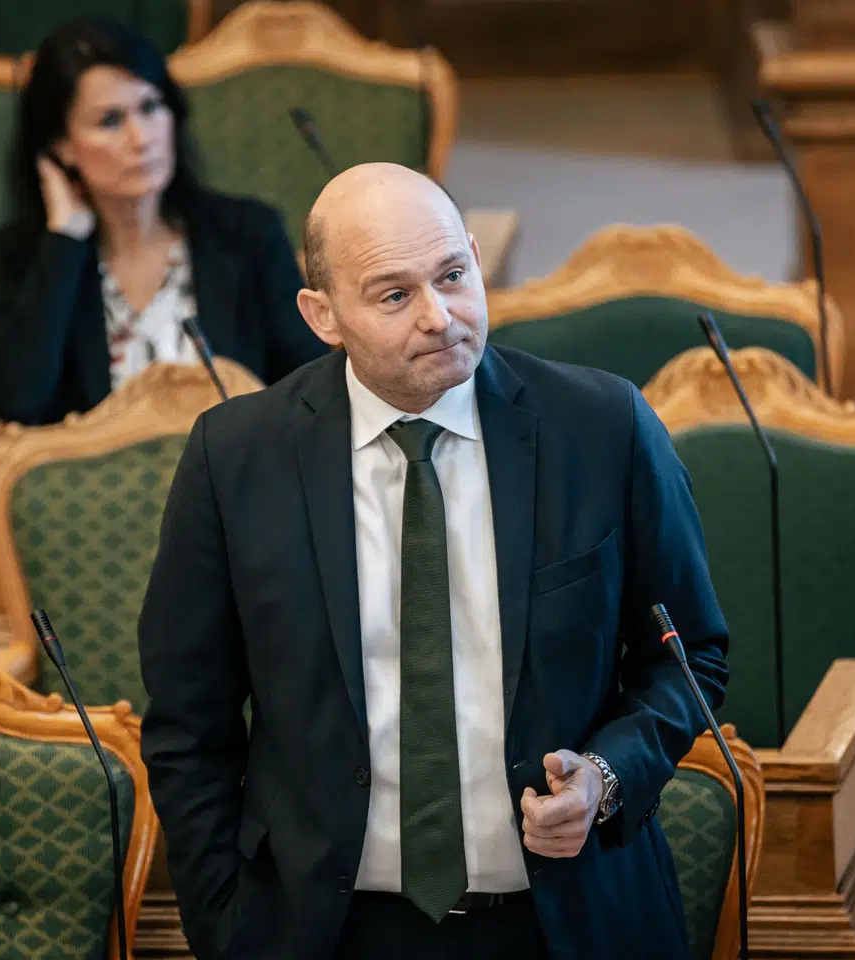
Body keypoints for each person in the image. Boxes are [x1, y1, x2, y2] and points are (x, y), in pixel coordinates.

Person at [138, 163, 730, 959]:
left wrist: (605, 775)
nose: (439, 317)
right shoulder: (237, 456)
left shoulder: (601, 427)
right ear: (322, 315)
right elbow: (188, 722)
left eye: (453, 275)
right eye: (393, 295)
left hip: (569, 923)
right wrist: (224, 922)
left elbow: (689, 654)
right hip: (327, 931)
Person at [0, 18, 326, 426]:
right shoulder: (32, 253)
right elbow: (15, 399)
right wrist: (65, 241)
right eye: (110, 121)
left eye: (150, 107)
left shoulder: (246, 234)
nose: (141, 139)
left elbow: (312, 388)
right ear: (62, 147)